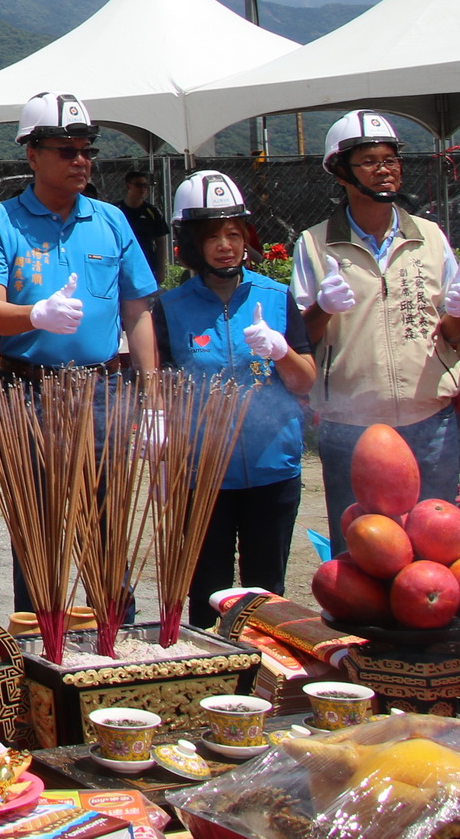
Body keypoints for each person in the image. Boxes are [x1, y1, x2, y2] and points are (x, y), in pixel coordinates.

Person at [0, 92, 160, 609]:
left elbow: (137, 309)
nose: (80, 160)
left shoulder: (112, 220)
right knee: (40, 528)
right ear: (32, 155)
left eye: (85, 149)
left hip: (101, 388)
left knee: (107, 521)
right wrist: (35, 315)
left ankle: (116, 636)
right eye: (65, 150)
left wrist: (153, 399)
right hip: (28, 390)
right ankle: (41, 643)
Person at [291, 111, 460, 554]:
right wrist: (323, 306)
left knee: (438, 546)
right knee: (360, 549)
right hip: (350, 423)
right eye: (370, 161)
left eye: (391, 160)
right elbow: (302, 339)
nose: (385, 170)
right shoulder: (314, 244)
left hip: (427, 417)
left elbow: (452, 334)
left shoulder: (430, 236)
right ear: (341, 173)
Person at [152, 172, 315, 625]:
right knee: (207, 590)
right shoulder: (169, 308)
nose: (226, 245)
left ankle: (267, 680)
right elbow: (161, 386)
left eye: (234, 233)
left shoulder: (278, 296)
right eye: (212, 236)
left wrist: (281, 351)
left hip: (272, 468)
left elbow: (305, 382)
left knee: (268, 593)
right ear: (190, 243)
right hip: (202, 474)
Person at [118, 170, 171, 281]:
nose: (142, 189)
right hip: (121, 263)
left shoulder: (152, 212)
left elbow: (161, 241)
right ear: (128, 186)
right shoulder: (116, 211)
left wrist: (161, 269)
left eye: (145, 186)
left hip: (146, 264)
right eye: (138, 185)